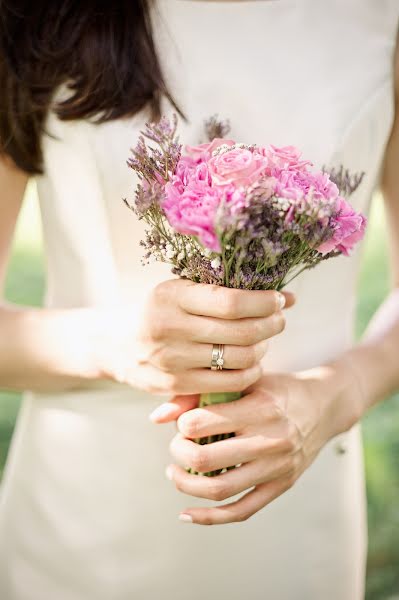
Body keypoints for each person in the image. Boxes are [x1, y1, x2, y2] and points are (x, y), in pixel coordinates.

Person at [0, 1, 398, 598]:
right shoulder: (39, 12)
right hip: (84, 514)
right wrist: (117, 346)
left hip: (299, 509)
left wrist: (337, 394)